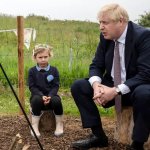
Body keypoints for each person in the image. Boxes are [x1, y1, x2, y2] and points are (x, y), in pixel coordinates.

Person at [71, 3, 150, 150]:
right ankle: (98, 136)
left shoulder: (143, 36)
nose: (101, 27)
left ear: (120, 21)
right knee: (79, 86)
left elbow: (145, 74)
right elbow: (96, 65)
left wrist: (115, 91)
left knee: (145, 94)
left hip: (135, 86)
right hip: (111, 83)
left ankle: (137, 144)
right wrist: (96, 86)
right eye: (99, 22)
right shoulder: (105, 37)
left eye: (105, 22)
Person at [28, 44, 63, 137]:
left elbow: (56, 86)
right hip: (37, 96)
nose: (43, 59)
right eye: (40, 57)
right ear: (35, 57)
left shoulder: (54, 70)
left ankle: (59, 124)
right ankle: (34, 125)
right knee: (35, 100)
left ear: (49, 56)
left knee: (57, 101)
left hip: (51, 96)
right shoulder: (32, 71)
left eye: (45, 57)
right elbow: (32, 87)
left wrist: (50, 96)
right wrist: (41, 95)